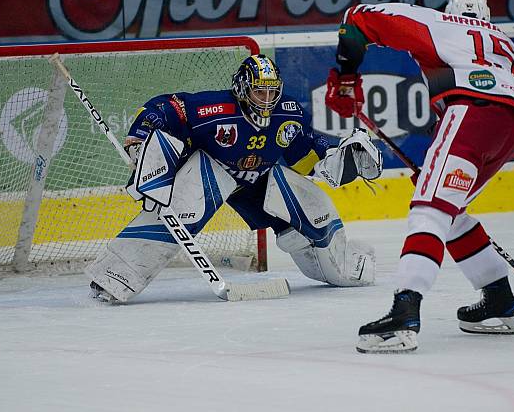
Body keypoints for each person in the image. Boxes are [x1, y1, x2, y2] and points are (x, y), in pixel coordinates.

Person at [324, 0, 514, 353]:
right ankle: (499, 298)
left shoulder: (440, 23)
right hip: (512, 129)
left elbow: (357, 18)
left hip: (471, 113)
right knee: (449, 211)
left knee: (430, 211)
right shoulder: (508, 46)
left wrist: (345, 81)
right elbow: (494, 99)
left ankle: (405, 311)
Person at [87, 54, 382, 303]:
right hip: (213, 170)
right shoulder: (214, 111)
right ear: (243, 89)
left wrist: (342, 159)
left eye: (271, 92)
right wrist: (140, 138)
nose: (266, 100)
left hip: (260, 178)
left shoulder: (287, 114)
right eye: (259, 92)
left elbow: (305, 156)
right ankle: (114, 276)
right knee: (181, 209)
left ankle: (342, 265)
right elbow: (166, 107)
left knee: (315, 211)